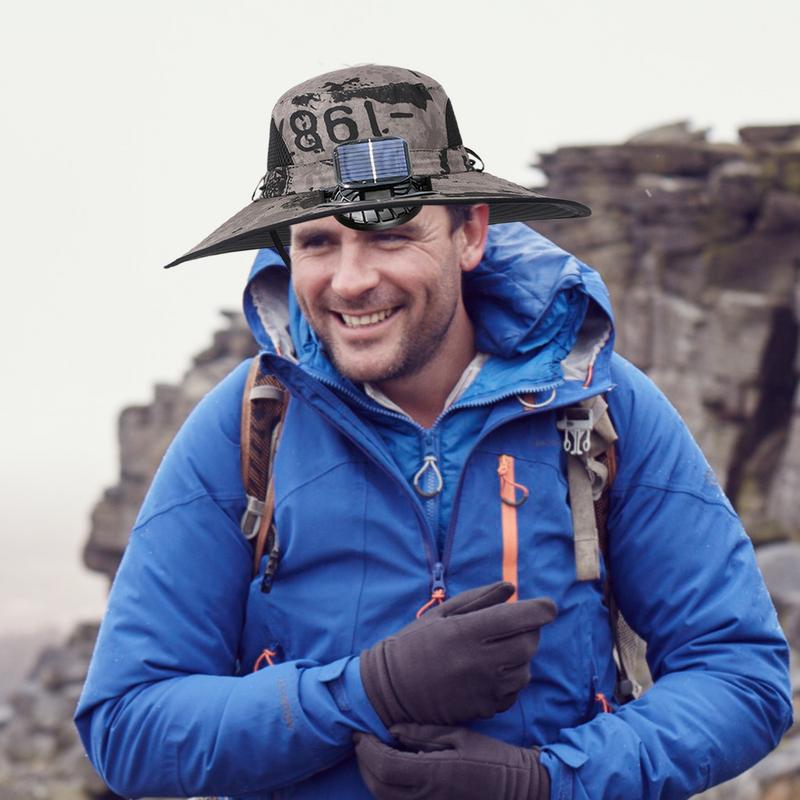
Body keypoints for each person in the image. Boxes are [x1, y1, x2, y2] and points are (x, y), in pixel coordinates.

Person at [75, 65, 792, 800]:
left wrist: (547, 784)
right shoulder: (248, 424)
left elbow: (742, 677)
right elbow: (126, 728)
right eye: (318, 242)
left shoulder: (601, 405)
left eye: (388, 235)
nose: (350, 280)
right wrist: (366, 690)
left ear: (470, 232)